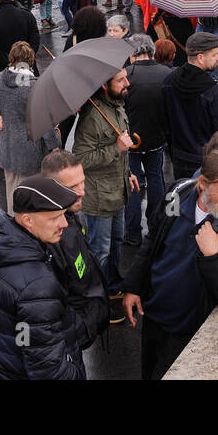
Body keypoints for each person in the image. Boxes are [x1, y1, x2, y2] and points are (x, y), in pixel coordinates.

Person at [119, 147, 218, 381]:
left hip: (188, 329)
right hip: (155, 314)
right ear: (202, 184)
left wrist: (212, 256)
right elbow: (154, 239)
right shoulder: (178, 194)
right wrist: (133, 286)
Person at [0, 175, 88, 380]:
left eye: (63, 215)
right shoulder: (37, 287)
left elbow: (22, 335)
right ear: (27, 219)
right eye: (54, 218)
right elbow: (48, 370)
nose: (64, 224)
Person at [0, 40, 61, 209]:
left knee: (12, 190)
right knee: (29, 196)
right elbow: (44, 121)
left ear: (11, 58)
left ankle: (13, 226)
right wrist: (54, 145)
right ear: (31, 60)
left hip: (6, 146)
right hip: (30, 150)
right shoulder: (34, 85)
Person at [73, 66, 136, 301]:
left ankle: (112, 283)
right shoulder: (92, 117)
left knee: (117, 241)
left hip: (118, 192)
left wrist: (128, 173)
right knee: (100, 250)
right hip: (99, 199)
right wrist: (116, 148)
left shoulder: (117, 107)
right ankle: (96, 297)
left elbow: (122, 151)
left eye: (125, 78)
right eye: (120, 80)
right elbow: (80, 159)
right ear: (104, 85)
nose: (127, 83)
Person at [39, 150, 109, 351]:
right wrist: (84, 327)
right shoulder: (50, 237)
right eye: (72, 187)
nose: (82, 192)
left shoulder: (69, 215)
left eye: (82, 182)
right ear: (51, 189)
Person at [160, 31, 218, 180]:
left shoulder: (169, 81)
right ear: (200, 57)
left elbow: (165, 124)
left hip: (179, 157)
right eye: (214, 54)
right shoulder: (212, 91)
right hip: (206, 161)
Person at [122, 34, 168, 245]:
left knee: (131, 184)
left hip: (130, 139)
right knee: (156, 179)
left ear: (132, 53)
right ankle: (155, 225)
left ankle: (132, 232)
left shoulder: (126, 76)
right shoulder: (166, 74)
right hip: (157, 137)